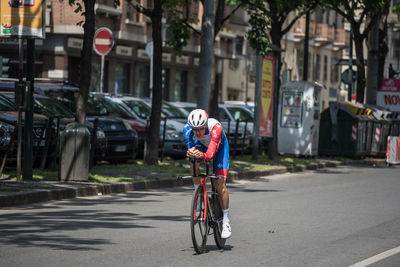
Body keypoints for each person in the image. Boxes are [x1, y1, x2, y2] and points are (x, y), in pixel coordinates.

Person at [183, 109, 231, 239]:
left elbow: (209, 155)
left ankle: (226, 220)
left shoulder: (216, 127)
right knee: (193, 161)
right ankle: (197, 192)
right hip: (202, 147)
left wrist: (203, 155)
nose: (197, 132)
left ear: (205, 125)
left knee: (220, 183)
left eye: (200, 129)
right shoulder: (187, 130)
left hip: (219, 148)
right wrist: (191, 153)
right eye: (194, 129)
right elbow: (191, 148)